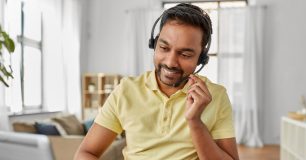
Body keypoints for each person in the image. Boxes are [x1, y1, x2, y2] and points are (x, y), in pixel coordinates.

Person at [75, 3, 239, 160]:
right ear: (154, 44)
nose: (170, 62)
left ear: (201, 59)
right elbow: (85, 153)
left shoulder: (216, 96)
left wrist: (195, 122)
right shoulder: (126, 90)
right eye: (164, 48)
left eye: (185, 55)